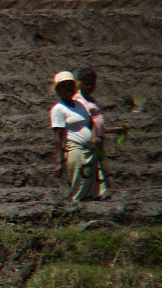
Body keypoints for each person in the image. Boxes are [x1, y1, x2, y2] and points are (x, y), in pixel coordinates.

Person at [50, 71, 105, 203]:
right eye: (64, 86)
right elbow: (58, 136)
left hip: (89, 149)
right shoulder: (58, 109)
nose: (68, 90)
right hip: (74, 148)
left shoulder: (80, 105)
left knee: (92, 184)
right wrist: (59, 161)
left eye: (70, 86)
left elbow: (90, 122)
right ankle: (76, 210)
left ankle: (91, 209)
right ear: (58, 90)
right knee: (79, 183)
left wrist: (94, 136)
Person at [77, 68, 122, 196]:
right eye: (86, 84)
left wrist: (114, 130)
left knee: (100, 169)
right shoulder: (79, 100)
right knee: (91, 171)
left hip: (98, 143)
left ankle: (99, 194)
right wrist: (93, 137)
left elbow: (98, 125)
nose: (90, 87)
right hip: (90, 142)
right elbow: (86, 123)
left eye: (92, 84)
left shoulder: (91, 100)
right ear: (79, 83)